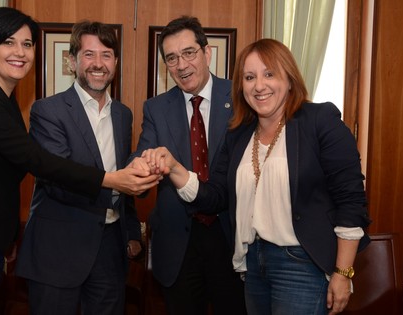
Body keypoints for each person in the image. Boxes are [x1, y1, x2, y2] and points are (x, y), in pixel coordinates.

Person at [0, 8, 158, 315]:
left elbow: (1, 176)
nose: (20, 52)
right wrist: (112, 180)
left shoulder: (4, 100)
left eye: (27, 44)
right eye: (9, 42)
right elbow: (39, 162)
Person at [141, 38, 372, 315]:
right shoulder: (239, 134)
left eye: (269, 74)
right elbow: (215, 197)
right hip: (252, 267)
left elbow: (350, 200)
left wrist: (342, 272)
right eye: (249, 77)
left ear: (289, 78)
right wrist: (176, 168)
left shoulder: (319, 120)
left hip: (301, 265)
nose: (259, 85)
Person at [15, 20, 141, 315]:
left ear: (116, 62)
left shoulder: (123, 115)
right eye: (89, 54)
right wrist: (116, 183)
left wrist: (132, 231)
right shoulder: (48, 111)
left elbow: (124, 175)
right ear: (72, 61)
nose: (98, 64)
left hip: (110, 248)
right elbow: (58, 179)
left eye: (107, 55)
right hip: (58, 249)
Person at [129, 16, 246, 315]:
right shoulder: (156, 108)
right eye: (171, 58)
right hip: (178, 242)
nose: (181, 65)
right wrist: (143, 165)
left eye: (189, 53)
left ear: (207, 53)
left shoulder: (240, 96)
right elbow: (143, 154)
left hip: (230, 234)